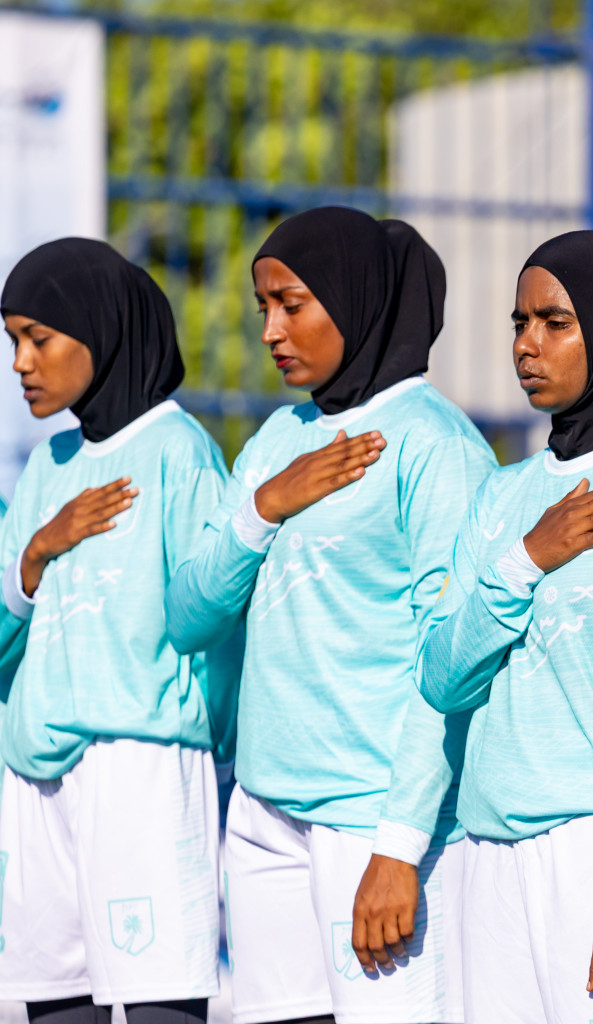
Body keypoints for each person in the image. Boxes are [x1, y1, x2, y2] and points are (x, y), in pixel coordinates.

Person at [165, 207, 495, 1024]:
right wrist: (265, 508)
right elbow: (187, 615)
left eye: (293, 304)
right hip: (266, 810)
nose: (273, 330)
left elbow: (450, 664)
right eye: (263, 308)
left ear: (355, 299)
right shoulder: (279, 439)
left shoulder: (434, 444)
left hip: (372, 818)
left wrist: (398, 846)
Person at [417, 230, 593, 1024]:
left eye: (555, 322)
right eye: (518, 322)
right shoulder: (503, 497)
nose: (527, 345)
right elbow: (443, 676)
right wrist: (527, 558)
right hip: (488, 856)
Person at [0, 239, 235, 1024]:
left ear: (99, 330)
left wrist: (209, 743)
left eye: (39, 338)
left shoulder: (179, 451)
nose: (21, 363)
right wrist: (36, 553)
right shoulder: (49, 463)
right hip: (37, 772)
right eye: (12, 343)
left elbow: (216, 623)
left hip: (140, 763)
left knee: (157, 996)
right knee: (55, 1003)